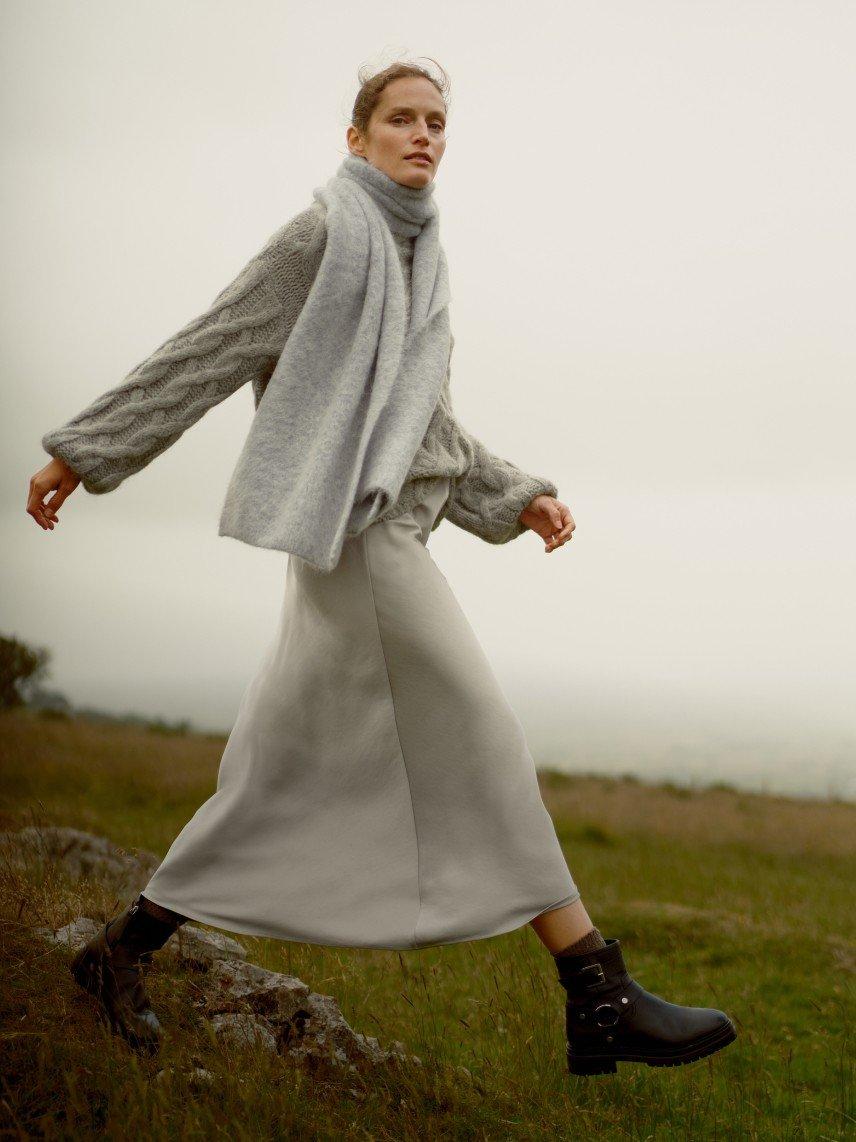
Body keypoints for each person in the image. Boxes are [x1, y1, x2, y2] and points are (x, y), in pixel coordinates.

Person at [28, 58, 736, 1074]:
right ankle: (597, 988)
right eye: (401, 119)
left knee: (277, 770)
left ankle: (119, 952)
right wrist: (84, 451)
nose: (423, 136)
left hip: (387, 535)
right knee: (482, 730)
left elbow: (421, 421)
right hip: (356, 540)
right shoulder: (323, 235)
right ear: (355, 137)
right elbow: (211, 346)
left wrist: (508, 491)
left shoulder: (421, 251)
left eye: (437, 121)